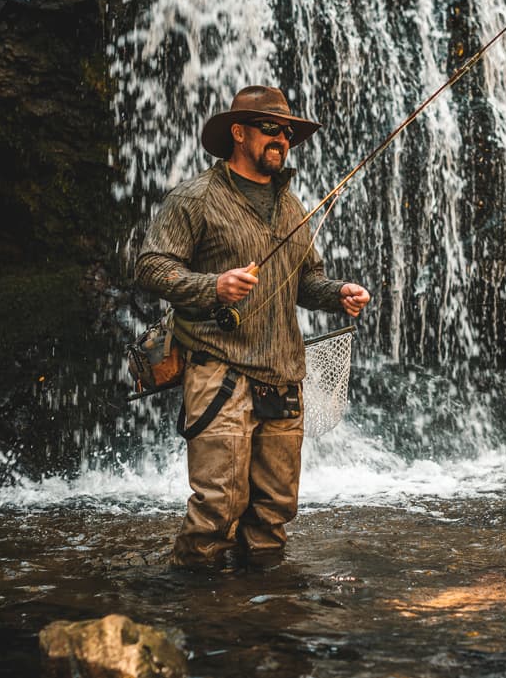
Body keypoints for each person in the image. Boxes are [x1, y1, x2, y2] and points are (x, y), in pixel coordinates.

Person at [134, 85, 371, 567]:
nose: (281, 138)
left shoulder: (291, 203)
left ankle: (265, 618)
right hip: (219, 374)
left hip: (283, 377)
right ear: (238, 133)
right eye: (271, 129)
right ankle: (201, 616)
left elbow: (307, 281)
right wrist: (213, 286)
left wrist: (339, 293)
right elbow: (151, 266)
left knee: (274, 515)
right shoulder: (197, 197)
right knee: (216, 510)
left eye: (287, 131)